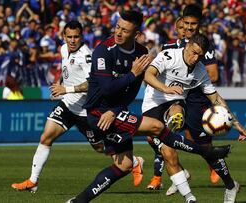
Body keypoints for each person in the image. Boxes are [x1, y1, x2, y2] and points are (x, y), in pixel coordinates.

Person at [67, 10, 231, 203]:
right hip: (98, 112)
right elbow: (106, 89)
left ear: (135, 34)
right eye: (117, 27)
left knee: (125, 165)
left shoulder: (142, 53)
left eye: (124, 30)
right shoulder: (103, 50)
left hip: (115, 112)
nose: (118, 33)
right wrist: (131, 75)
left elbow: (132, 90)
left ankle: (78, 201)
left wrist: (117, 109)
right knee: (156, 126)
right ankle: (206, 152)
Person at [10, 20, 144, 193]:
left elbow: (92, 83)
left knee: (100, 148)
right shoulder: (63, 49)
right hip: (67, 105)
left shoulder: (87, 56)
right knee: (46, 137)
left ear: (82, 37)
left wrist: (66, 89)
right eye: (69, 37)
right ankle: (33, 180)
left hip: (86, 111)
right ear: (64, 36)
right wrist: (59, 82)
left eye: (76, 37)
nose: (72, 40)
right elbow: (67, 69)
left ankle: (134, 162)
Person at [154, 4, 246, 203]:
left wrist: (188, 78)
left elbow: (212, 75)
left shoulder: (203, 46)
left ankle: (231, 185)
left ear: (199, 25)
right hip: (172, 99)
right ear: (180, 22)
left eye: (193, 24)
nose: (189, 28)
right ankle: (179, 174)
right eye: (186, 23)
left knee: (204, 148)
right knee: (160, 137)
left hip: (196, 100)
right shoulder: (171, 46)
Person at [145, 16, 188, 191]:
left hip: (179, 97)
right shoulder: (167, 47)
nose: (185, 31)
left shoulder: (199, 49)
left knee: (169, 132)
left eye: (188, 27)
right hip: (158, 96)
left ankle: (159, 178)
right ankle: (180, 172)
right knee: (153, 138)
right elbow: (154, 71)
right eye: (181, 28)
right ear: (176, 29)